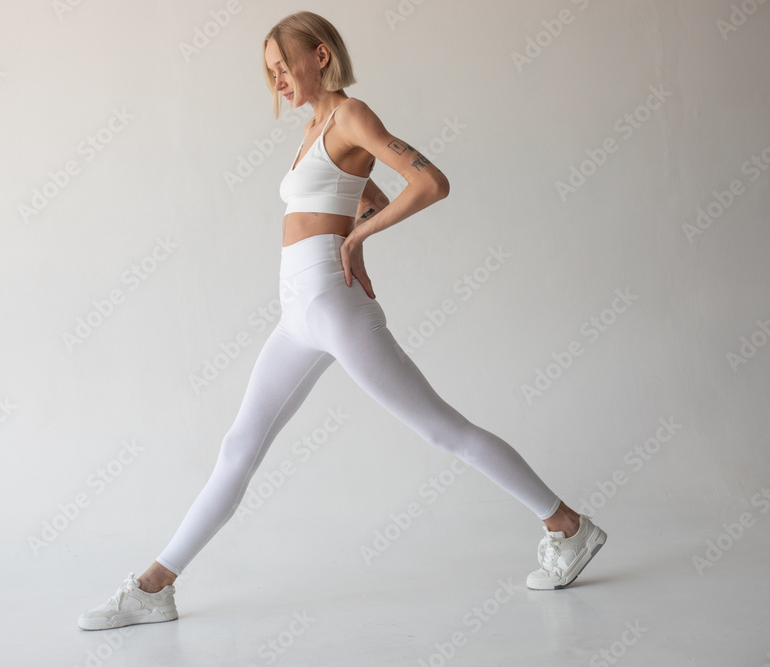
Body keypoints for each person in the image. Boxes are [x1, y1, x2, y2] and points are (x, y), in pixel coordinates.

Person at [78, 10, 606, 632]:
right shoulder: (311, 130)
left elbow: (429, 181)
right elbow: (367, 193)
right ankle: (155, 586)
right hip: (297, 315)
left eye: (284, 65)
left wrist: (356, 243)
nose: (277, 80)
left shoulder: (350, 115)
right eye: (269, 72)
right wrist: (359, 225)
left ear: (321, 55)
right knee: (237, 448)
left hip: (332, 305)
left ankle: (566, 526)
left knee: (443, 430)